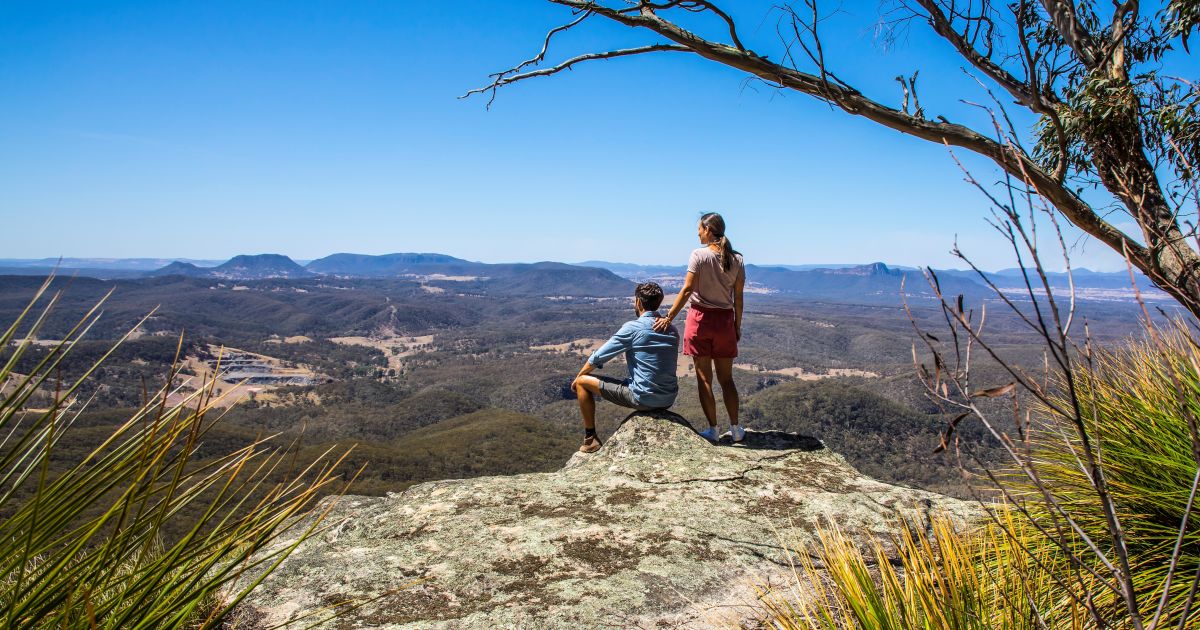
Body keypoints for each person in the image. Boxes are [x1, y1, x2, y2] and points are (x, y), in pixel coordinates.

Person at [653, 212, 745, 442]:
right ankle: (735, 429)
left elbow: (686, 290)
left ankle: (713, 430)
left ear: (708, 229)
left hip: (700, 322)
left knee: (704, 380)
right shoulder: (738, 259)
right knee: (727, 380)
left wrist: (668, 317)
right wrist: (737, 326)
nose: (697, 233)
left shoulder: (698, 255)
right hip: (724, 322)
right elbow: (739, 298)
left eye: (700, 229)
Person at [572, 282, 680, 453]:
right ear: (658, 302)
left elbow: (599, 356)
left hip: (643, 398)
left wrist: (579, 377)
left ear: (638, 302)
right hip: (668, 398)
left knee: (581, 383)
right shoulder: (672, 329)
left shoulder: (633, 328)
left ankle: (590, 439)